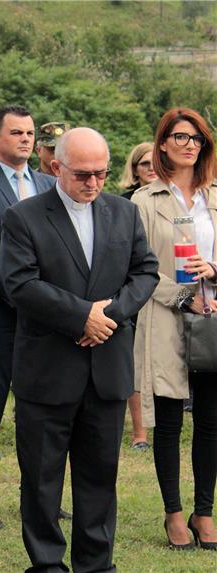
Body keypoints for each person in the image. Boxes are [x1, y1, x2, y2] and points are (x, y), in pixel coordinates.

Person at [0, 127, 159, 572]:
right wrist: (80, 316)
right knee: (41, 480)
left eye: (101, 174)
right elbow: (20, 284)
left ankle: (96, 564)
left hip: (105, 368)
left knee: (99, 479)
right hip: (48, 370)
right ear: (57, 168)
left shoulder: (124, 213)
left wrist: (106, 317)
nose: (92, 183)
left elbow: (146, 272)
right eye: (83, 174)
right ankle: (48, 564)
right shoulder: (24, 216)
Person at [131, 107, 217, 551]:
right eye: (181, 137)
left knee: (210, 421)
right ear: (162, 143)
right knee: (167, 423)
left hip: (214, 318)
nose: (190, 145)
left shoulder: (216, 196)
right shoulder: (145, 201)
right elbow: (139, 269)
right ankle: (174, 514)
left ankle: (205, 513)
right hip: (164, 317)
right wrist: (186, 296)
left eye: (197, 139)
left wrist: (214, 273)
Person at [0, 105, 57, 530]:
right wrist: (25, 297)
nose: (25, 139)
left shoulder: (47, 184)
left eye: (30, 133)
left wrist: (52, 303)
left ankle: (42, 496)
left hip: (46, 320)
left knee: (41, 410)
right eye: (17, 132)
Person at [119, 141, 158, 452]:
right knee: (136, 360)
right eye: (144, 163)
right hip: (135, 288)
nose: (151, 168)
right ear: (134, 169)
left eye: (156, 161)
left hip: (174, 286)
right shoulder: (124, 204)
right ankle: (139, 433)